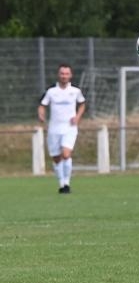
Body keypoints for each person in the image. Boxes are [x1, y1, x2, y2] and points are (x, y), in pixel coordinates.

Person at [38, 64, 86, 194]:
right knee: (56, 157)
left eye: (66, 74)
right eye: (62, 73)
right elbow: (42, 105)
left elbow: (82, 104)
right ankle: (61, 184)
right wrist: (41, 114)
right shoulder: (51, 92)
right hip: (54, 128)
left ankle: (67, 184)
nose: (64, 76)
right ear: (58, 75)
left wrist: (77, 117)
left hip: (69, 128)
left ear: (70, 75)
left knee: (66, 154)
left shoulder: (75, 91)